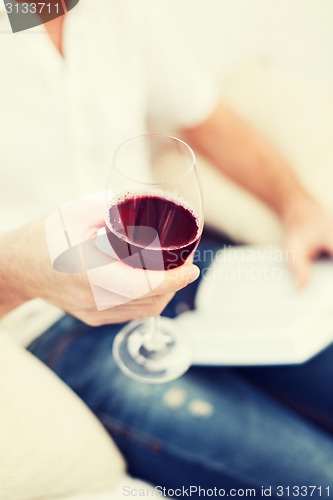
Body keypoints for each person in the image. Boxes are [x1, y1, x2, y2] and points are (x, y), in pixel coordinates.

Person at [1, 0, 333, 496]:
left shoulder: (117, 9)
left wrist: (298, 204)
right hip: (52, 318)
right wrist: (19, 274)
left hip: (183, 260)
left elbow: (203, 116)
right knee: (315, 479)